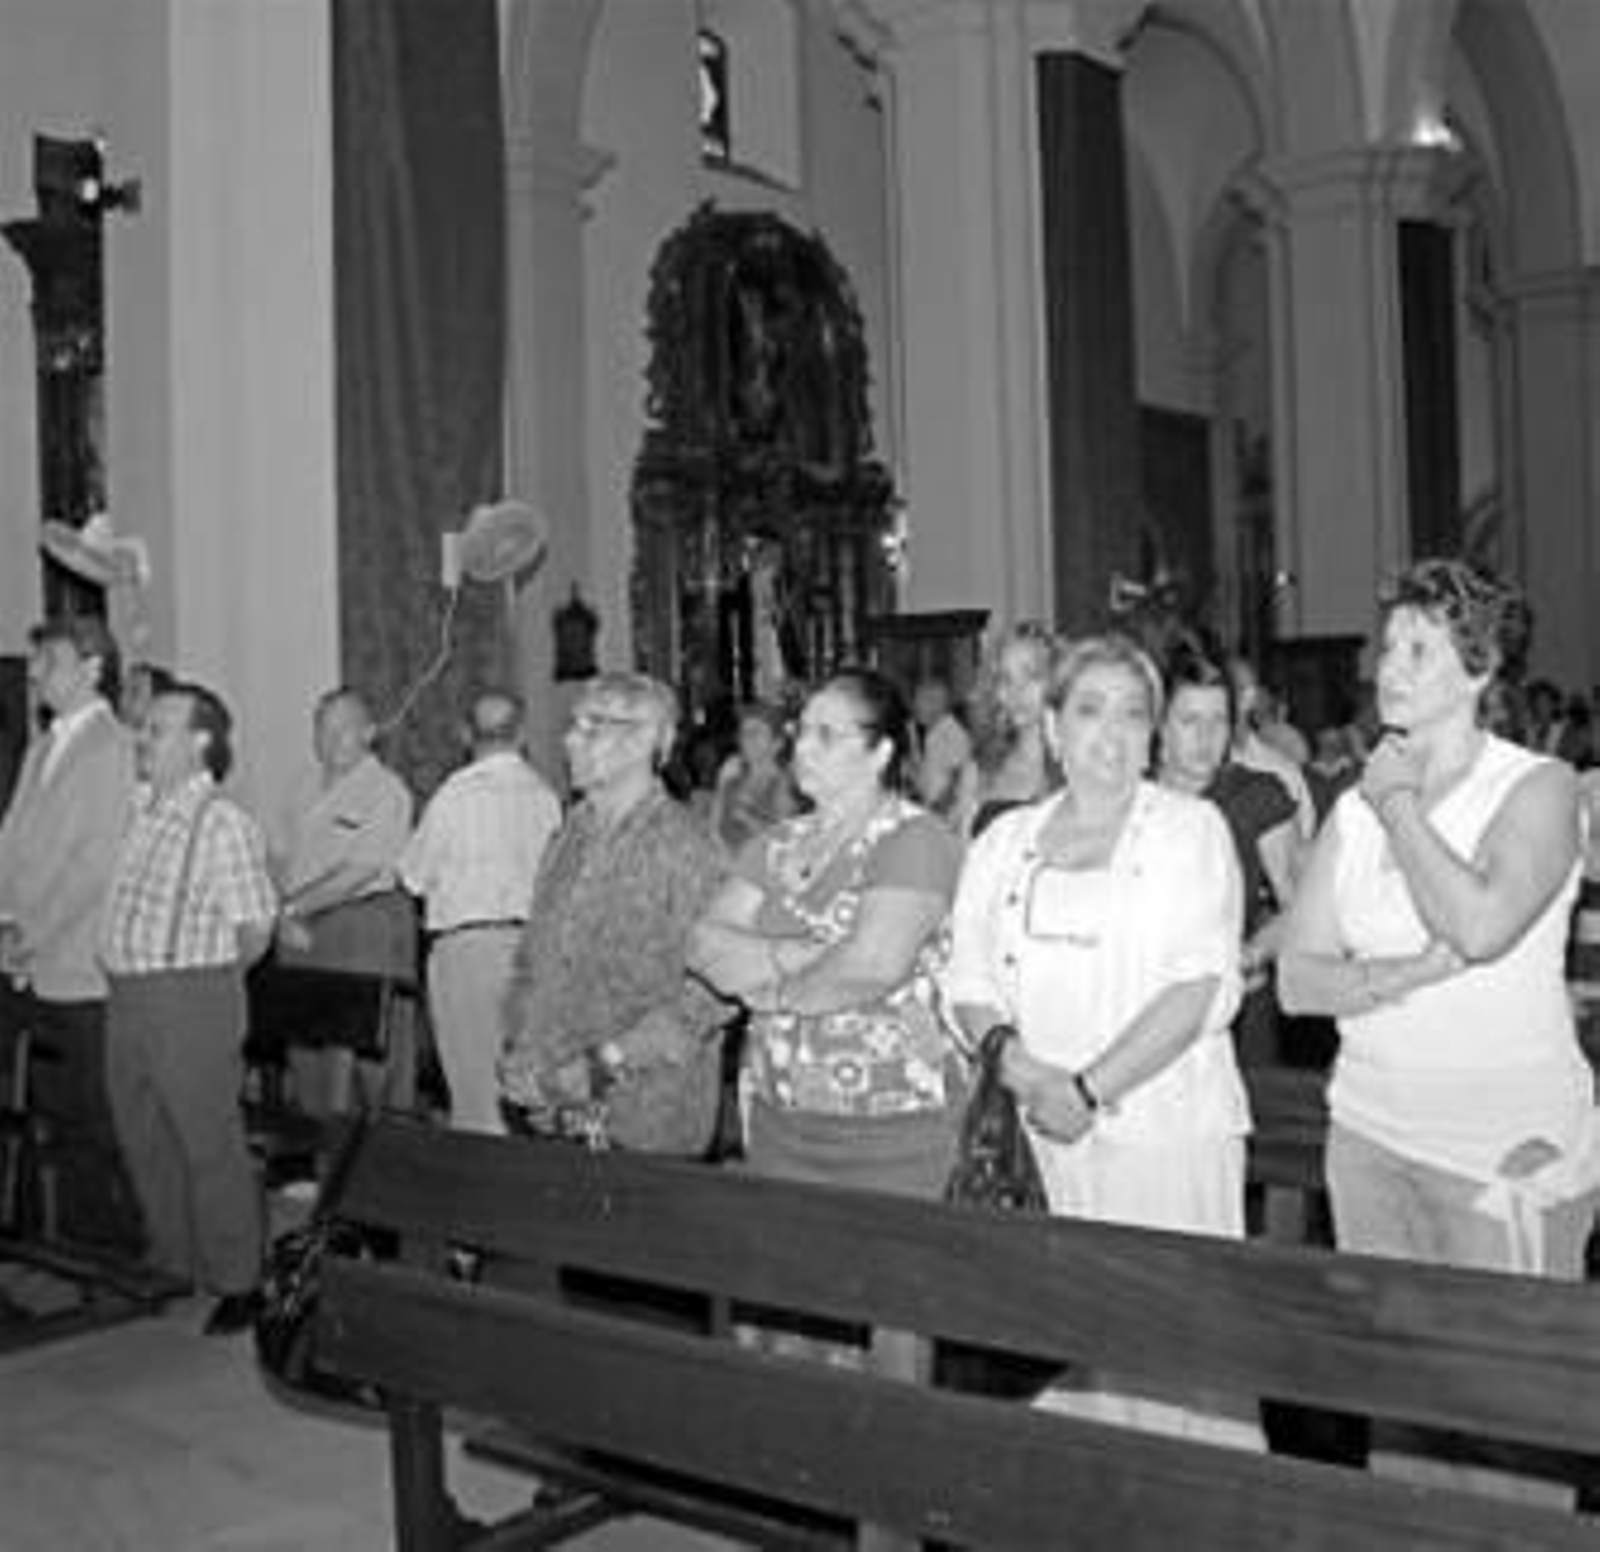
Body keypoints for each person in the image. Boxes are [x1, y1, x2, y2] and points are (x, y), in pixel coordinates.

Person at [1278, 558, 1597, 1495]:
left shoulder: (1537, 787)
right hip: (1373, 1140)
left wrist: (1399, 805)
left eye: (1421, 650)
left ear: (1481, 667)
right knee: (1406, 1423)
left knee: (1511, 1431)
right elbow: (1298, 980)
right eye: (1389, 647)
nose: (1391, 667)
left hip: (1502, 1149)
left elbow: (1481, 922)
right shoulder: (1354, 805)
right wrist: (1408, 973)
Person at [945, 635, 1257, 1446]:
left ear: (1152, 733)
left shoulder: (1192, 830)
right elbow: (968, 981)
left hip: (1162, 1131)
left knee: (1173, 1359)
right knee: (1060, 1362)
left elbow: (1196, 987)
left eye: (1131, 714)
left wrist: (1087, 1090)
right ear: (1052, 728)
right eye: (1088, 711)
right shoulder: (1003, 841)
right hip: (1037, 1136)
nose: (1109, 735)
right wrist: (1024, 1073)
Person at [690, 667, 964, 1198]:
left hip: (889, 1126)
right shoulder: (775, 843)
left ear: (880, 752)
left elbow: (870, 967)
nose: (803, 748)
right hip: (777, 1115)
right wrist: (805, 953)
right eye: (800, 731)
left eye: (826, 735)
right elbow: (704, 943)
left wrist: (770, 989)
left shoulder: (914, 839)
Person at [101, 682, 278, 1335]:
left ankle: (240, 1280)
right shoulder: (144, 812)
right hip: (129, 996)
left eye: (157, 729)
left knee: (209, 1143)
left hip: (189, 998)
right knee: (145, 1137)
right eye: (144, 728)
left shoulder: (223, 823)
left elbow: (256, 928)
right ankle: (174, 1260)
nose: (143, 739)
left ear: (200, 741)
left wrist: (204, 989)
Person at [500, 673, 727, 1154]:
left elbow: (712, 993)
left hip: (645, 1114)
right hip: (556, 1105)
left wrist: (605, 1063)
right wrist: (520, 1045)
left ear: (644, 739)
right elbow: (534, 957)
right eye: (573, 725)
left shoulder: (687, 846)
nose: (568, 740)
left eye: (591, 727)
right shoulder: (568, 836)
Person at [0, 615, 141, 1252]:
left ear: (92, 667)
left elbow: (94, 864)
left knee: (88, 1114)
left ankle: (108, 1243)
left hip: (75, 960)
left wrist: (31, 932)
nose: (33, 673)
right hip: (24, 952)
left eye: (47, 661)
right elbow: (12, 842)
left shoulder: (113, 746)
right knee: (33, 1106)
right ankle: (37, 1231)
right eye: (34, 662)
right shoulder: (43, 743)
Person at [398, 689, 561, 1132]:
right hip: (531, 950)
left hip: (468, 949)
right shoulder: (545, 796)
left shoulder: (456, 794)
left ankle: (485, 1193)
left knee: (475, 1093)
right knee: (524, 1088)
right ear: (522, 734)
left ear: (466, 734)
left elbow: (412, 873)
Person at [270, 687, 415, 1113]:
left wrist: (292, 909)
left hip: (360, 935)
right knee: (309, 1065)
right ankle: (317, 1167)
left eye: (344, 729)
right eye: (323, 728)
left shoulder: (387, 791)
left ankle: (374, 1172)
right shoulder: (300, 785)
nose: (331, 739)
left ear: (369, 733)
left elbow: (360, 872)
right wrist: (283, 912)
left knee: (363, 1072)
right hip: (298, 934)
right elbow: (277, 856)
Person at [1157, 648, 1299, 1068]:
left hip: (1232, 1004)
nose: (1206, 736)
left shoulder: (1255, 794)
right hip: (1142, 997)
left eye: (1218, 720)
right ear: (1159, 726)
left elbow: (1304, 904)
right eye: (1189, 721)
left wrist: (1253, 952)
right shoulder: (1132, 800)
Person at [955, 621, 1059, 840]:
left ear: (1056, 680)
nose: (1016, 691)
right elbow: (965, 860)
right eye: (1005, 678)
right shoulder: (979, 768)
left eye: (1031, 676)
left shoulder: (1075, 765)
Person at [706, 700, 800, 858]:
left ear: (777, 744)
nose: (747, 737)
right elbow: (713, 831)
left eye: (757, 731)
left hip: (761, 875)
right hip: (726, 869)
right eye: (743, 732)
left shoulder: (784, 782)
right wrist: (721, 787)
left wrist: (748, 818)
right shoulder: (732, 778)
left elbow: (787, 842)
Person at [910, 675, 972, 822]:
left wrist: (937, 812)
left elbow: (958, 776)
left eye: (919, 700)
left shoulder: (950, 732)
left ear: (936, 703)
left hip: (946, 816)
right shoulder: (933, 733)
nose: (915, 706)